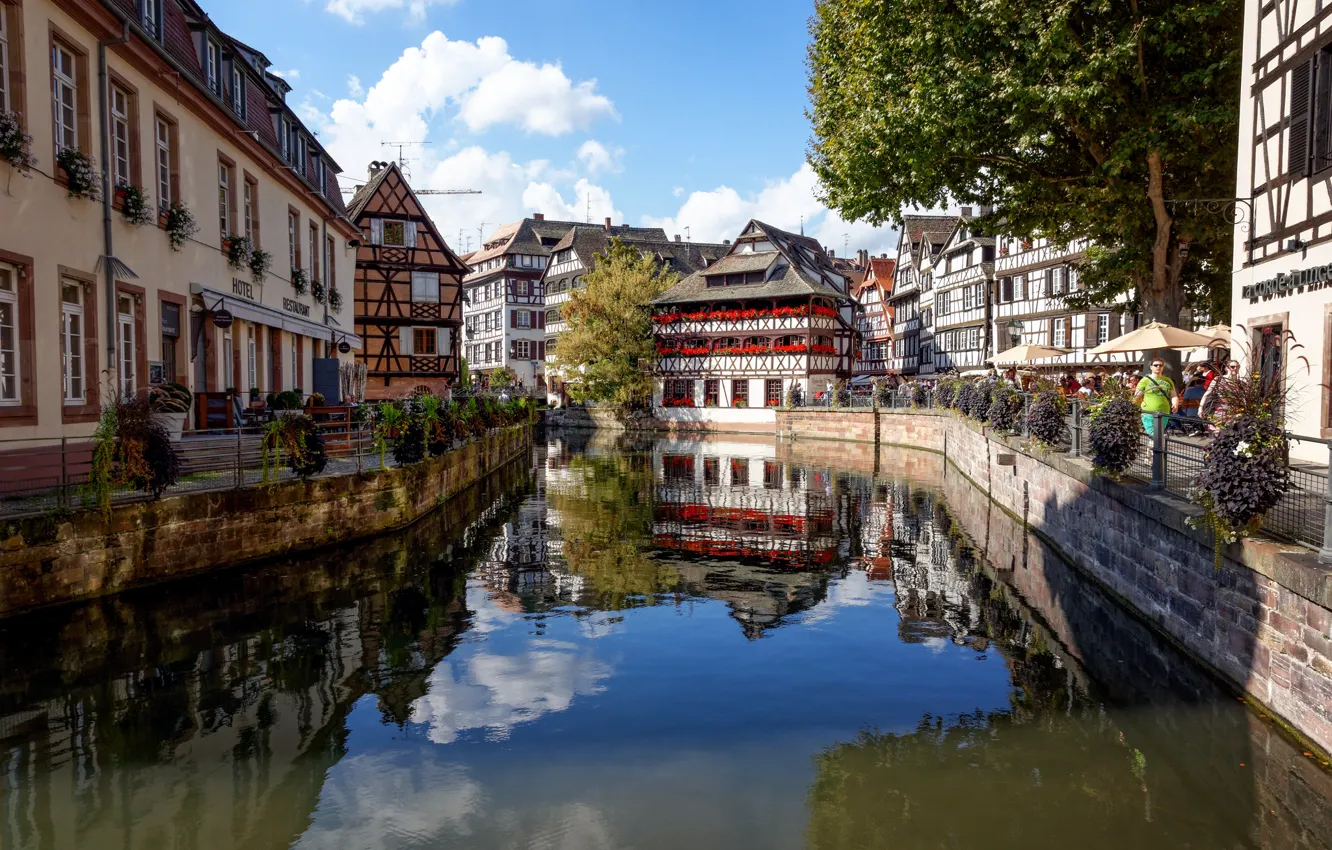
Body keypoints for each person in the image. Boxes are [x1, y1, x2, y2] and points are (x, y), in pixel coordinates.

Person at [1134, 359, 1178, 435]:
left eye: (1161, 365)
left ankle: (1153, 447)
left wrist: (1175, 404)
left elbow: (1173, 395)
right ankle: (1157, 446)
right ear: (1151, 367)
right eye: (1156, 365)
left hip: (1164, 412)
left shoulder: (1168, 380)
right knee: (1154, 435)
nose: (1158, 367)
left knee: (1159, 435)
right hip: (1148, 413)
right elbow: (1136, 396)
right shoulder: (1145, 381)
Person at [1200, 359, 1241, 427]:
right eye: (1233, 367)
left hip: (1234, 416)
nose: (1235, 368)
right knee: (1218, 435)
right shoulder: (1218, 379)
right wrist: (1200, 408)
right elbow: (1207, 394)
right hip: (1219, 414)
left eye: (1238, 367)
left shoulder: (1240, 383)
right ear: (1227, 368)